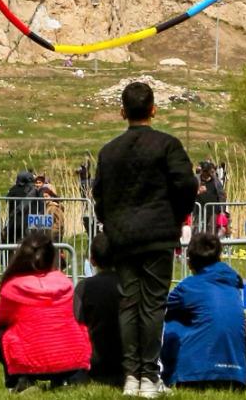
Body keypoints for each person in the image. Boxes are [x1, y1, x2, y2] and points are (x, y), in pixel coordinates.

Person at [93, 81, 198, 400]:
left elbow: (99, 195)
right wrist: (177, 217)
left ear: (122, 111)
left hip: (123, 237)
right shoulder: (168, 145)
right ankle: (150, 376)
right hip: (157, 235)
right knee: (153, 305)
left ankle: (130, 377)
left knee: (129, 303)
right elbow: (186, 184)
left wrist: (112, 223)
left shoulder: (108, 151)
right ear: (154, 109)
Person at [0, 233, 94, 390]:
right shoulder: (65, 282)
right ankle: (63, 380)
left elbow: (0, 320)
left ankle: (20, 381)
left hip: (31, 360)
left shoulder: (13, 286)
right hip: (72, 357)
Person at [161, 230, 246, 389]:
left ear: (190, 261)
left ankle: (169, 373)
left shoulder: (187, 287)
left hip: (196, 376)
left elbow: (160, 305)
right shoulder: (233, 285)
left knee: (173, 316)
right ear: (219, 257)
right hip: (237, 376)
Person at [74, 234, 125, 390]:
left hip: (94, 362)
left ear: (92, 260)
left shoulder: (83, 287)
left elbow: (76, 322)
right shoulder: (129, 285)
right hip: (127, 362)